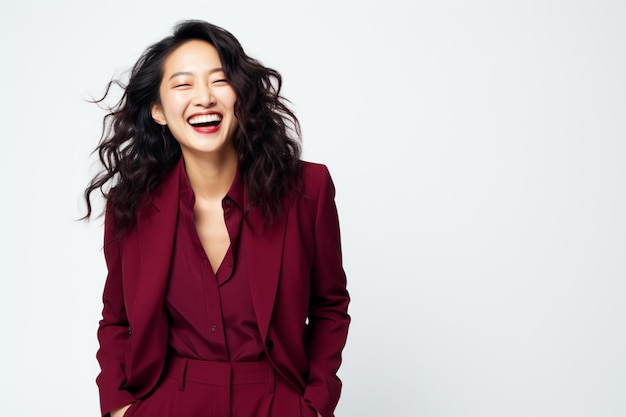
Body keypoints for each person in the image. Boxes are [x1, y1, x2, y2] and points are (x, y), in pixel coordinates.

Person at [83, 20, 350, 417]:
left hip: (276, 401)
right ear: (157, 110)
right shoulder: (132, 205)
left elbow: (330, 305)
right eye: (182, 84)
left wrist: (314, 405)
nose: (204, 98)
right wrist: (119, 407)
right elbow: (116, 319)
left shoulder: (307, 190)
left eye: (219, 81)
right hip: (168, 402)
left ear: (240, 96)